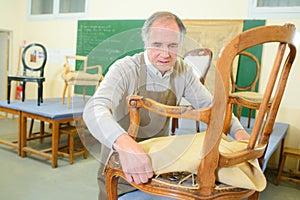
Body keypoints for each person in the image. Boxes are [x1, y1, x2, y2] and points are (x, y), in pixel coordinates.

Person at [83, 11, 250, 200]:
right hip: (120, 168)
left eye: (173, 45)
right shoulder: (125, 69)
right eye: (157, 45)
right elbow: (94, 109)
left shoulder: (183, 70)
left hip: (158, 166)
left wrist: (239, 133)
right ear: (145, 42)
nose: (165, 54)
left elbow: (213, 108)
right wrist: (124, 145)